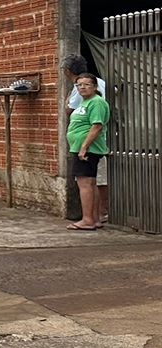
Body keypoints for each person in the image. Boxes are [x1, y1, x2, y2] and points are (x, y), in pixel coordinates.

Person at [63, 55, 108, 224]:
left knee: (86, 183)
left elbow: (97, 126)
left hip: (88, 147)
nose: (81, 88)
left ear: (94, 87)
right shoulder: (87, 101)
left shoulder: (96, 103)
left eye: (86, 85)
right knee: (91, 182)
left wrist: (83, 147)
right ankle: (94, 217)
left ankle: (89, 219)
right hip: (82, 146)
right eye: (79, 85)